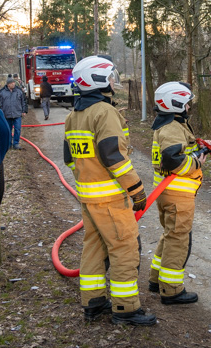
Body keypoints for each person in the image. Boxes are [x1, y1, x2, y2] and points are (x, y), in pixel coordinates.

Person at [63, 56, 155, 326]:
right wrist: (136, 189)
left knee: (93, 246)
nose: (113, 81)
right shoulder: (105, 113)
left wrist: (86, 179)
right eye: (110, 77)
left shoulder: (74, 115)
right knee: (124, 248)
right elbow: (113, 155)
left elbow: (69, 158)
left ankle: (93, 302)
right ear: (98, 80)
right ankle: (125, 308)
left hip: (89, 198)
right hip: (111, 199)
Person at [148, 81, 204, 305]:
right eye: (187, 103)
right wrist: (195, 164)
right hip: (177, 195)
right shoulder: (172, 127)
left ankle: (156, 279)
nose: (189, 107)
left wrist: (199, 147)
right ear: (177, 104)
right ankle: (171, 290)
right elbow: (171, 159)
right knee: (178, 239)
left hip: (168, 194)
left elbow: (179, 149)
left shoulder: (169, 124)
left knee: (170, 235)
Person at [0, 77, 27, 150]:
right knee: (8, 130)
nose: (13, 84)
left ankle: (16, 143)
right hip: (6, 115)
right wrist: (0, 113)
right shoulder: (2, 92)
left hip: (17, 113)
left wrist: (24, 111)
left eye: (13, 82)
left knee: (17, 129)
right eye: (11, 83)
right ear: (8, 85)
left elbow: (24, 101)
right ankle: (8, 144)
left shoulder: (19, 91)